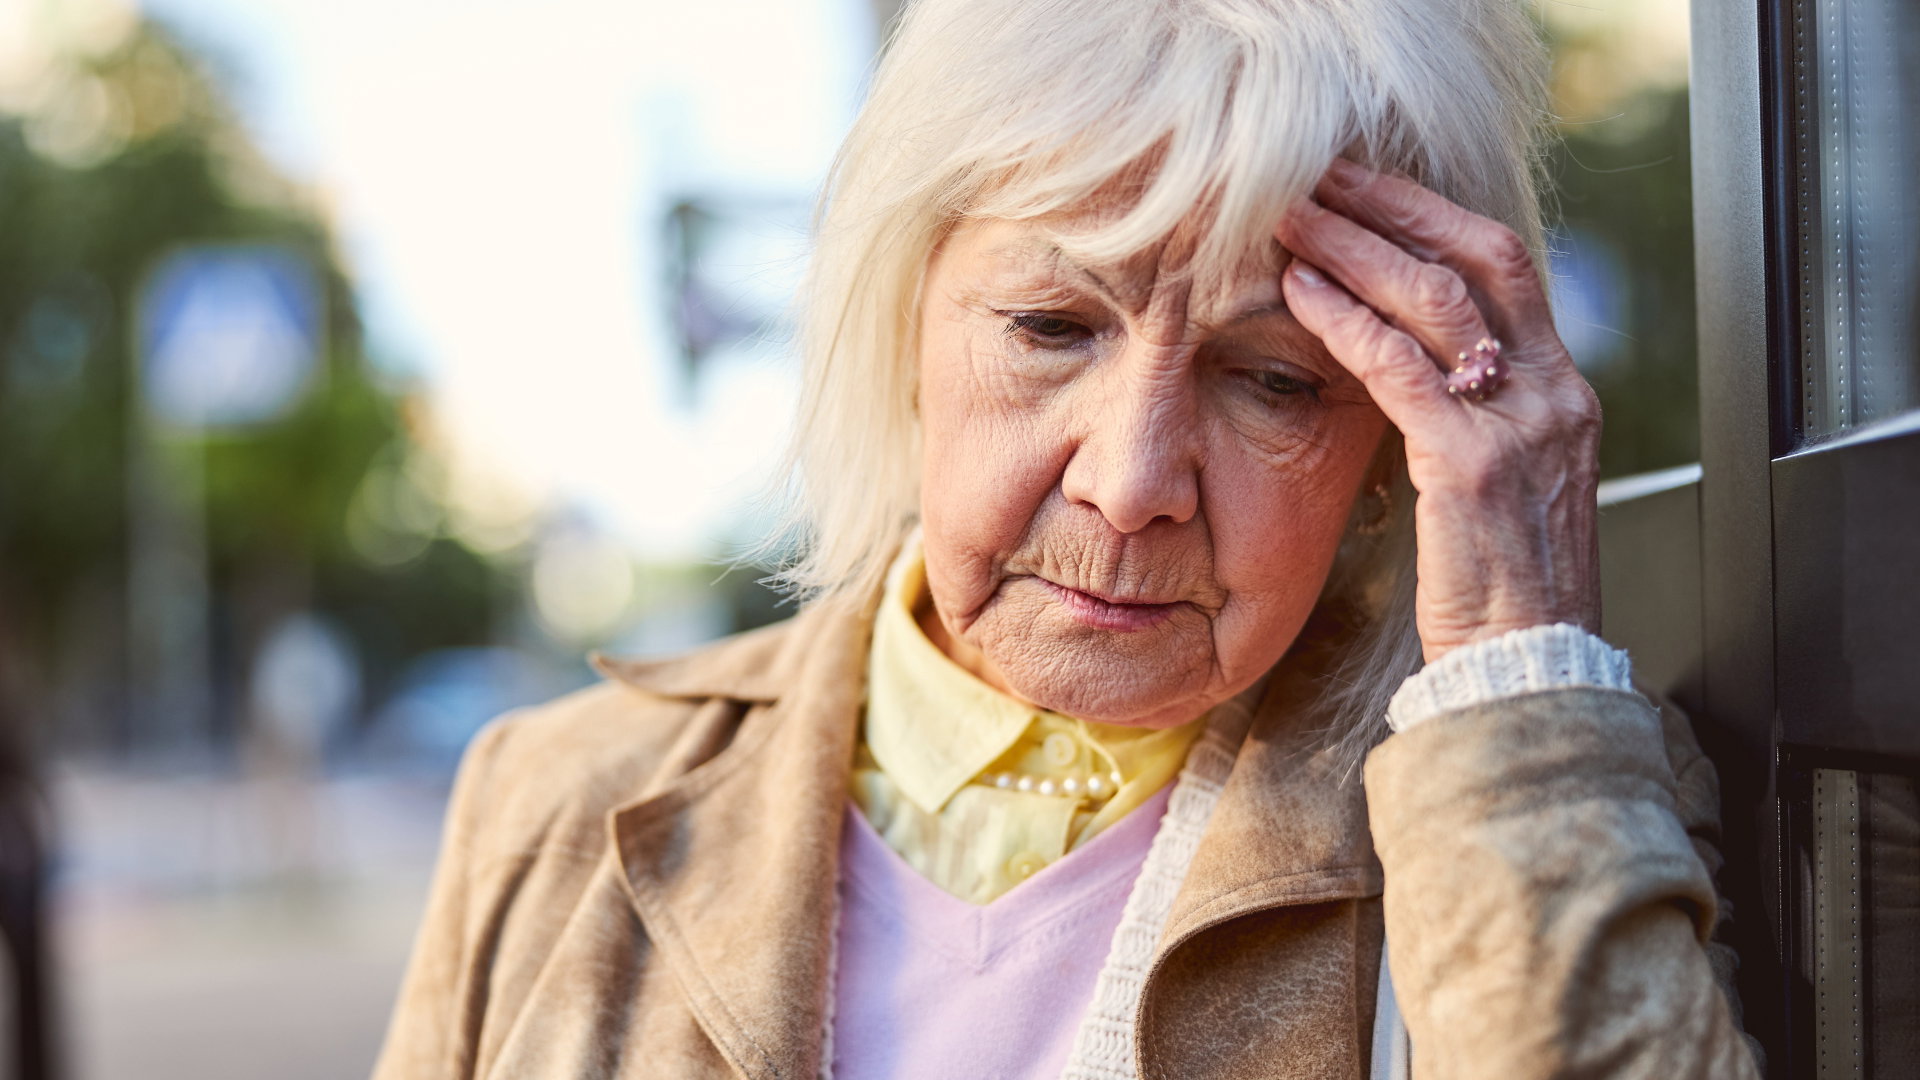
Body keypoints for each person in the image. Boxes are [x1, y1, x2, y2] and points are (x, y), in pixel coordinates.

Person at [373, 0, 1763, 1076]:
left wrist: (1514, 652)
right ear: (898, 317)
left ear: (1398, 443)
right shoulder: (544, 797)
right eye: (1052, 327)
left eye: (1276, 380)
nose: (1133, 479)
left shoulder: (1544, 801)